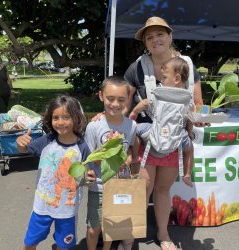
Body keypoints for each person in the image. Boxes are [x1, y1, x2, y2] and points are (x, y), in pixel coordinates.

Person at [124, 16, 205, 250]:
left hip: (173, 140)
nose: (155, 40)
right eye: (149, 37)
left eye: (160, 34)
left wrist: (198, 120)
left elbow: (197, 104)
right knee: (144, 187)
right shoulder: (137, 67)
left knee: (162, 189)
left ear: (170, 36)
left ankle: (163, 234)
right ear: (145, 43)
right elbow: (125, 103)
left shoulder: (186, 64)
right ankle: (130, 234)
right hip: (147, 139)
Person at [16, 95, 96, 250]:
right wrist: (20, 144)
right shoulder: (47, 140)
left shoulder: (82, 147)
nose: (60, 122)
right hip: (42, 206)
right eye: (55, 117)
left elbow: (86, 177)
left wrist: (88, 179)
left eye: (66, 117)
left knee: (64, 246)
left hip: (67, 210)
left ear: (76, 118)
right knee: (30, 242)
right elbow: (25, 149)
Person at [84, 76, 137, 250]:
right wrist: (109, 150)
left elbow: (129, 152)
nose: (115, 104)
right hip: (98, 187)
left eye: (121, 99)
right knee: (93, 229)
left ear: (127, 100)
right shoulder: (94, 126)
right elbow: (90, 158)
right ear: (101, 96)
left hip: (119, 186)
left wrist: (127, 159)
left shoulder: (131, 126)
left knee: (111, 227)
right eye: (110, 98)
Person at [129, 57, 194, 187]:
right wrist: (190, 132)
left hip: (155, 131)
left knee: (135, 130)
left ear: (176, 78)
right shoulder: (187, 98)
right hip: (177, 134)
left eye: (164, 78)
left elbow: (145, 104)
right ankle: (187, 174)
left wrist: (134, 113)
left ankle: (135, 157)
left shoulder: (159, 93)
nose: (161, 81)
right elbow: (190, 117)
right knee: (190, 149)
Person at [0, 53, 13, 127]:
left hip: (6, 93)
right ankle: (4, 128)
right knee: (2, 111)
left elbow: (8, 80)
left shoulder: (3, 67)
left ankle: (2, 128)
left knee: (4, 110)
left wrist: (11, 90)